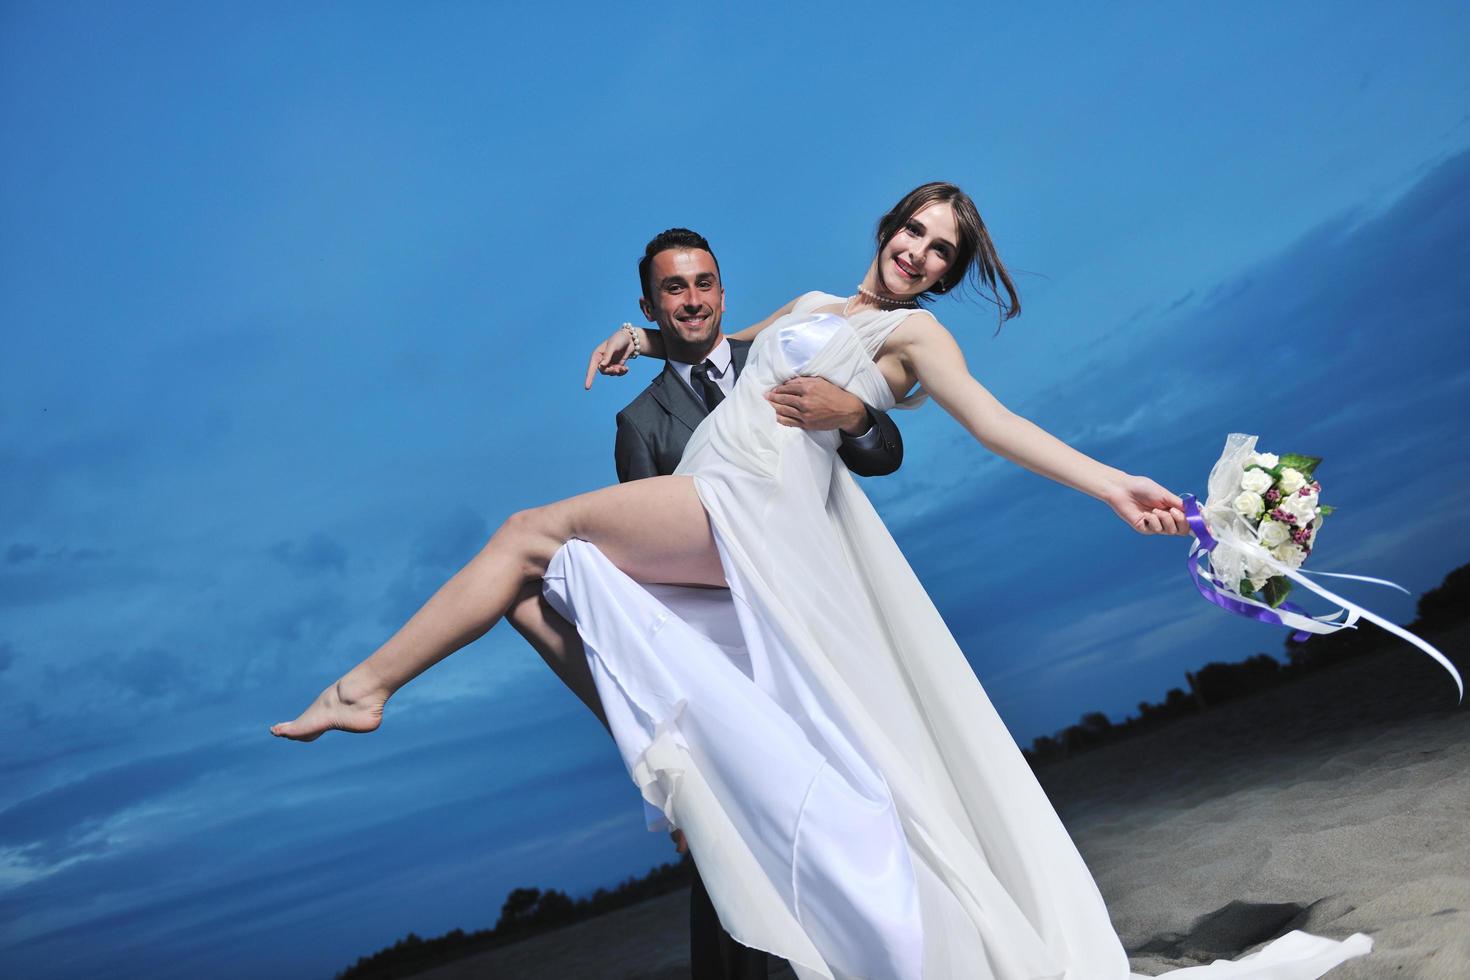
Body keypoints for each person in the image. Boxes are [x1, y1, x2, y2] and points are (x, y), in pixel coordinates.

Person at [273, 183, 1371, 979]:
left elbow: (998, 425)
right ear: (887, 226)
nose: (919, 253)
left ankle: (365, 688)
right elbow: (711, 345)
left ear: (946, 271)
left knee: (527, 534)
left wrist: (1109, 483)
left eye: (941, 249)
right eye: (913, 231)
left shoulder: (914, 336)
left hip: (751, 508)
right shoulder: (809, 298)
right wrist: (638, 336)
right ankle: (586, 728)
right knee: (539, 577)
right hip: (719, 491)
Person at [504, 225, 906, 979]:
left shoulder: (781, 355)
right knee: (739, 845)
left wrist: (851, 414)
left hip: (833, 621)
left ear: (723, 290)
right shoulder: (639, 424)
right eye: (673, 289)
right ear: (651, 304)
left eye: (703, 283)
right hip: (736, 653)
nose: (692, 300)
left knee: (874, 805)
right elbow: (645, 588)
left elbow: (881, 455)